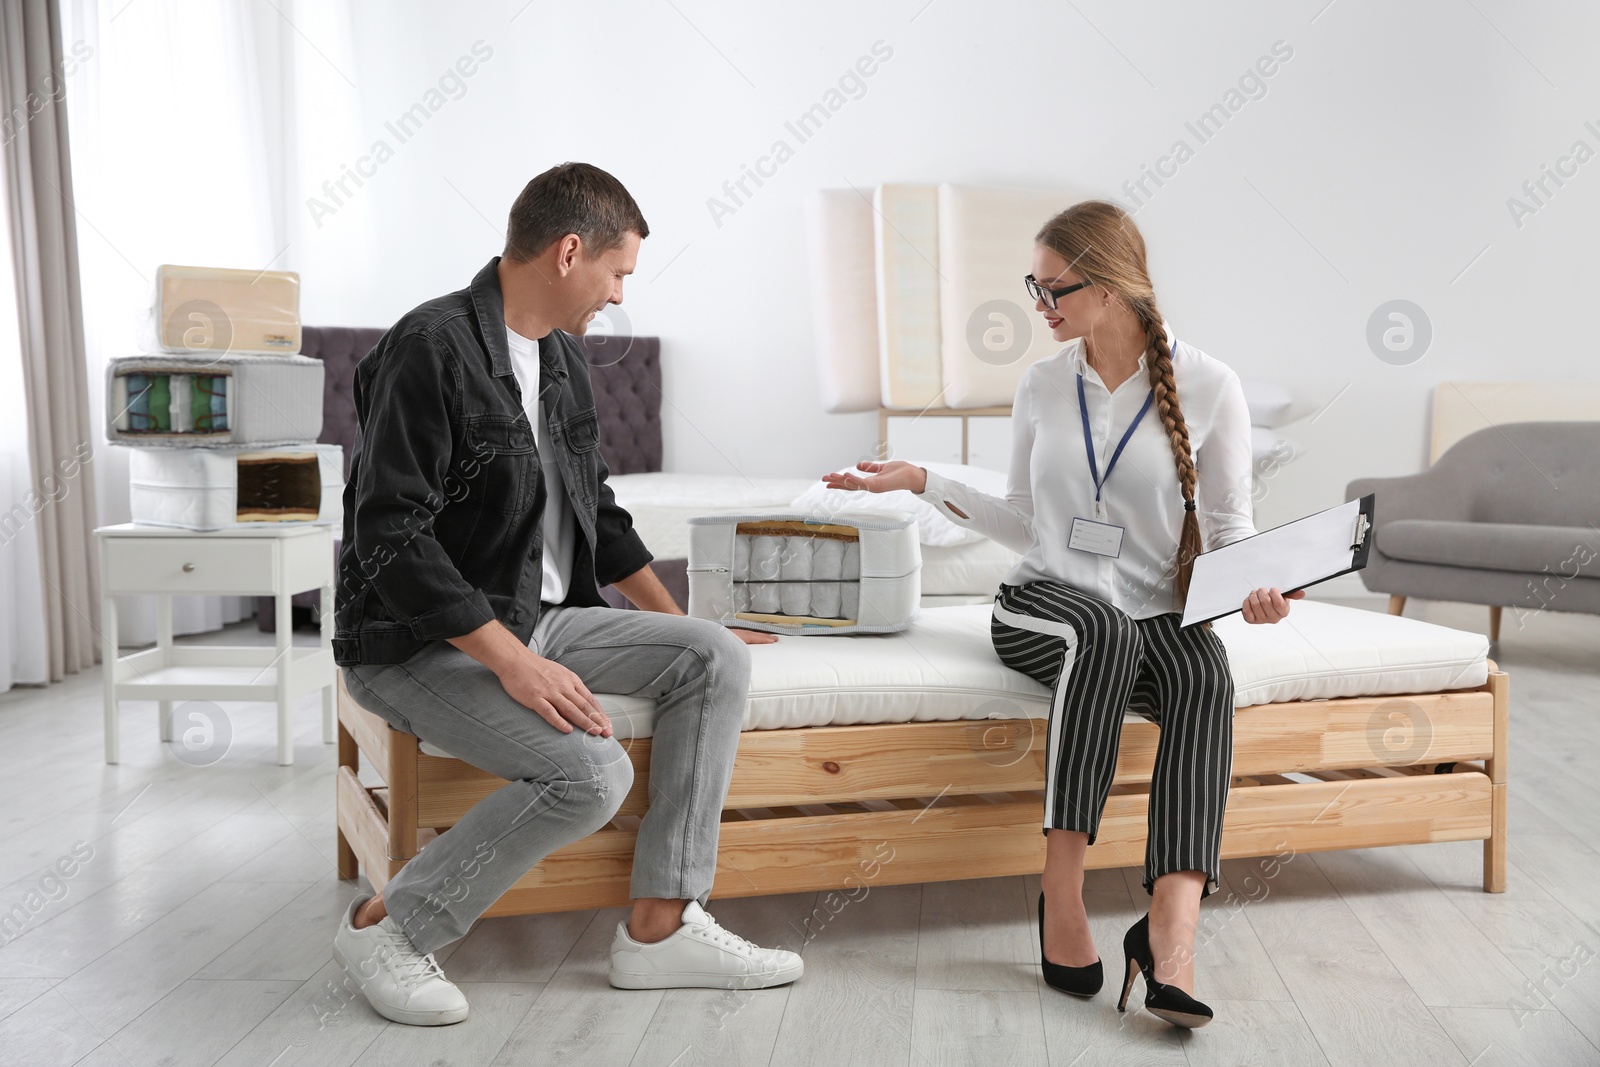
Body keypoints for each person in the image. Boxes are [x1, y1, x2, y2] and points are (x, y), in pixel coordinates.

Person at [330, 162, 801, 1027]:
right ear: (569, 251)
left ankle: (661, 927)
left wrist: (679, 623)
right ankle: (387, 927)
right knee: (590, 774)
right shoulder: (429, 349)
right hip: (412, 643)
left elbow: (600, 511)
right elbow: (388, 533)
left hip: (537, 617)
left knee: (714, 656)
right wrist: (513, 664)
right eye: (618, 273)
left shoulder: (563, 362)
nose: (619, 294)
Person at [822, 199, 1302, 1030]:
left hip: (1152, 611)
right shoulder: (1044, 383)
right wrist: (921, 482)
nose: (1040, 309)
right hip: (1042, 603)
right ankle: (1061, 890)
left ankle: (1171, 934)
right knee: (1102, 630)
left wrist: (1261, 588)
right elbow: (1022, 521)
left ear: (1111, 289)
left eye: (1055, 291)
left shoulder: (1211, 385)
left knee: (1203, 670)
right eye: (1034, 289)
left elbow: (1230, 527)